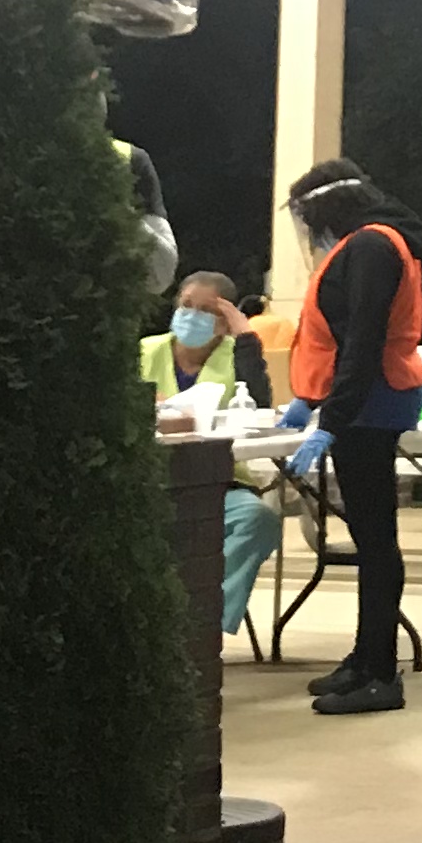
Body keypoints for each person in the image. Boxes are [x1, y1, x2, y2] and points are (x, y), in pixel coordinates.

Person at [275, 156, 422, 717]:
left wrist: (332, 420)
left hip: (371, 404)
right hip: (362, 403)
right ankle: (365, 659)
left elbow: (364, 341)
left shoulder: (370, 247)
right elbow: (341, 338)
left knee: (376, 541)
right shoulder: (371, 243)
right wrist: (312, 399)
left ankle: (381, 674)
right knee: (370, 540)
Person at [142, 269, 281, 643]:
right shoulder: (146, 351)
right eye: (186, 305)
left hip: (218, 480)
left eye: (206, 311)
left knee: (258, 520)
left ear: (224, 321)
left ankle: (198, 623)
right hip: (152, 481)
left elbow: (259, 410)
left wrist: (246, 337)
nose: (192, 316)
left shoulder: (236, 355)